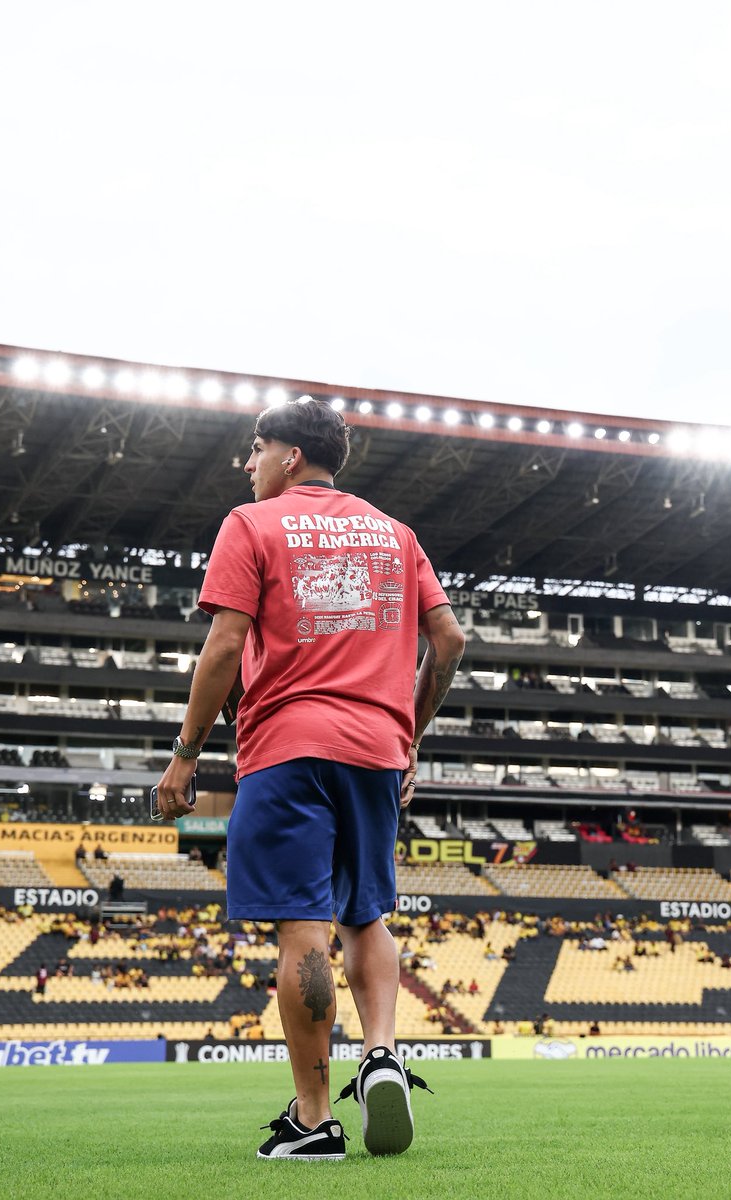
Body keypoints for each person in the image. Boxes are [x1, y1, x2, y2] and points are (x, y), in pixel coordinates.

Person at [154, 398, 464, 1163]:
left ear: (290, 456)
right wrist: (409, 735)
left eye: (256, 449)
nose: (247, 464)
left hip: (289, 747)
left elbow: (225, 646)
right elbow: (449, 639)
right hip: (377, 751)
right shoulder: (397, 535)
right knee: (366, 914)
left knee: (302, 925)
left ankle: (315, 1118)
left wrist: (186, 754)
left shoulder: (250, 524)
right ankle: (383, 1052)